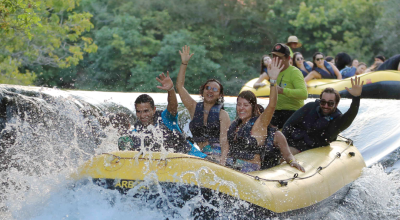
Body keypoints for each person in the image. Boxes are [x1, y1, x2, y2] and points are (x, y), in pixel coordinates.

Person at [227, 57, 305, 173]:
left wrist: (273, 80)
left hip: (249, 169)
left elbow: (272, 105)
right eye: (239, 105)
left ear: (253, 107)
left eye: (246, 105)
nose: (241, 108)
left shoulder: (260, 124)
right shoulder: (235, 125)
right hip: (232, 165)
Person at [129, 72, 206, 157]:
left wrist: (170, 90)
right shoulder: (135, 132)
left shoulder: (164, 118)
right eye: (138, 112)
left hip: (194, 158)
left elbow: (173, 107)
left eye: (146, 111)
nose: (142, 115)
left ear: (154, 110)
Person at [176, 45, 231, 165]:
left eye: (214, 90)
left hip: (216, 154)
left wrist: (222, 160)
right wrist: (184, 64)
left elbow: (224, 141)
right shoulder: (194, 108)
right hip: (200, 154)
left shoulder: (223, 115)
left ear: (219, 95)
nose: (210, 91)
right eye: (208, 88)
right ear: (202, 91)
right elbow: (180, 87)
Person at [282, 76, 363, 152]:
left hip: (309, 150)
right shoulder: (310, 107)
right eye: (323, 102)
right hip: (292, 142)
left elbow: (351, 115)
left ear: (336, 104)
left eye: (330, 103)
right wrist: (283, 144)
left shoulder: (337, 121)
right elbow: (288, 124)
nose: (326, 106)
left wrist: (356, 98)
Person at [269, 43, 308, 129]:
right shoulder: (272, 70)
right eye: (274, 57)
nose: (276, 60)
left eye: (279, 58)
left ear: (288, 58)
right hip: (276, 112)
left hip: (293, 112)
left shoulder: (295, 72)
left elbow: (304, 94)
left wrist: (283, 91)